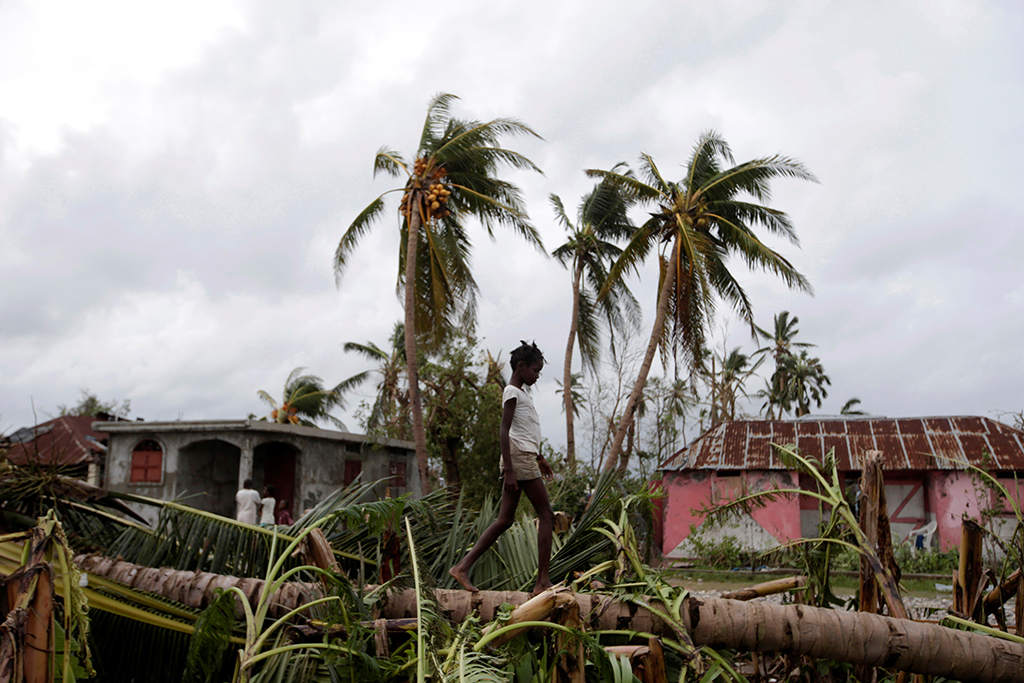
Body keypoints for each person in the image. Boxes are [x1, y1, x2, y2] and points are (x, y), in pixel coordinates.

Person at [449, 340, 554, 595]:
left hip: (524, 455)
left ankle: (462, 567)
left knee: (505, 519)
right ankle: (542, 582)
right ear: (521, 366)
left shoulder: (522, 394)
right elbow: (504, 430)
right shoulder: (512, 392)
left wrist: (540, 457)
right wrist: (509, 470)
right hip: (517, 458)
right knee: (547, 515)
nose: (538, 376)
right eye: (535, 370)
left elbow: (523, 430)